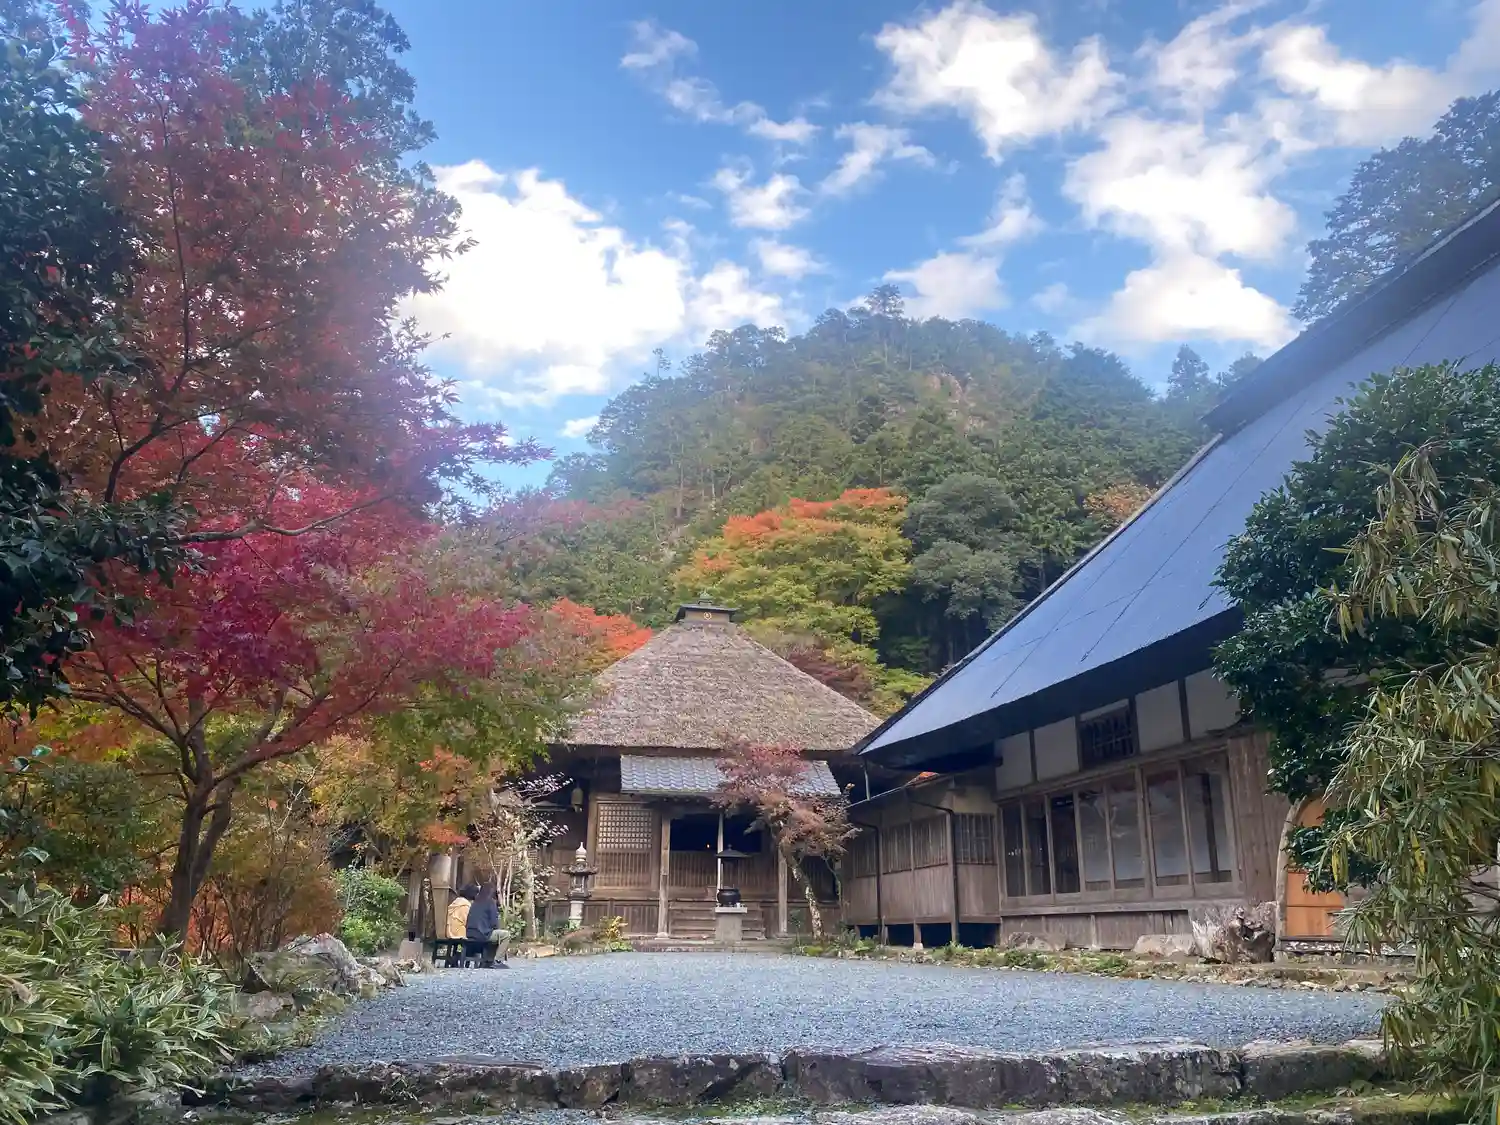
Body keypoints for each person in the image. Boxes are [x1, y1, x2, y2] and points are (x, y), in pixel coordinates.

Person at [464, 881, 510, 968]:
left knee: (494, 934)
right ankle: (497, 961)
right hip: (482, 934)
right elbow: (494, 922)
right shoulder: (490, 902)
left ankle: (488, 961)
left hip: (469, 934)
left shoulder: (474, 903)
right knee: (505, 935)